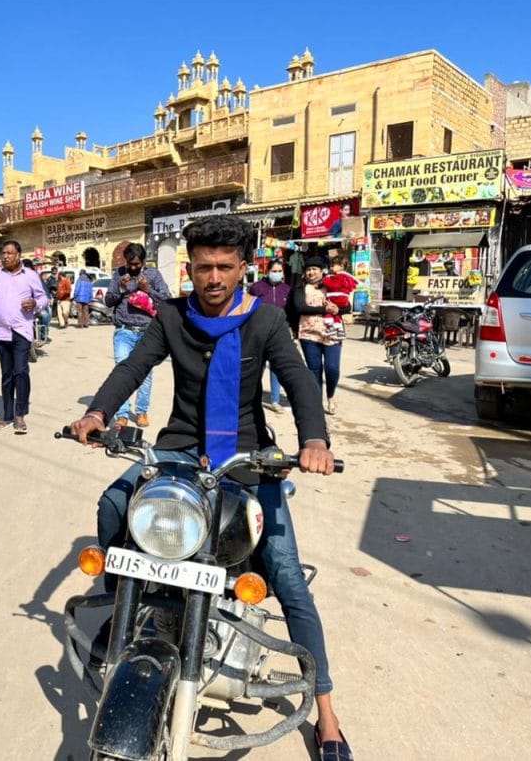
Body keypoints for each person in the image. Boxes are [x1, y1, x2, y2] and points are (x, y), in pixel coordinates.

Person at [69, 214, 350, 760]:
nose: (214, 277)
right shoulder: (171, 317)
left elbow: (297, 380)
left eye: (225, 266)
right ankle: (123, 598)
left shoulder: (265, 320)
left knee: (288, 577)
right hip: (176, 447)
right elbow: (135, 366)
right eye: (203, 267)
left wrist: (313, 440)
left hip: (247, 457)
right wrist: (98, 411)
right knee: (114, 503)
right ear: (189, 268)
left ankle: (328, 712)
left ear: (243, 267)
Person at [0, 240, 49, 434]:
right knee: (7, 375)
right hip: (1, 332)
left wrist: (35, 304)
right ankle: (7, 415)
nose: (5, 256)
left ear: (18, 255)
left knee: (20, 372)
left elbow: (44, 298)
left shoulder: (30, 276)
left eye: (9, 253)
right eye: (3, 253)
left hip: (22, 331)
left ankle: (20, 415)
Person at [103, 243, 171, 429]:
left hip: (147, 331)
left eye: (137, 264)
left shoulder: (153, 275)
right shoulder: (119, 274)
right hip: (124, 330)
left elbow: (167, 298)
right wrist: (121, 288)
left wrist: (148, 289)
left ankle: (141, 411)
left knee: (146, 373)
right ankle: (122, 413)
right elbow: (108, 301)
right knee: (122, 372)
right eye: (130, 264)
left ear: (143, 261)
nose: (133, 268)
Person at [292, 256, 349, 415]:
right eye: (308, 270)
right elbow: (299, 308)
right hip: (309, 334)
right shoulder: (300, 287)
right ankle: (317, 402)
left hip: (332, 333)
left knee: (332, 368)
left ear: (322, 271)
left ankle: (331, 395)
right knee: (314, 370)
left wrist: (338, 310)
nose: (311, 273)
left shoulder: (332, 284)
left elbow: (346, 306)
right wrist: (325, 310)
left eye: (314, 269)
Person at [249, 259, 292, 412]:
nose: (277, 274)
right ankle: (253, 397)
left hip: (279, 333)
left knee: (276, 367)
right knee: (257, 366)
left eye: (280, 271)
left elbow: (291, 312)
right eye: (274, 271)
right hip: (259, 332)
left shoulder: (287, 289)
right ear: (267, 271)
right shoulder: (256, 288)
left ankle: (275, 400)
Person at [320, 255, 358, 340]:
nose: (331, 267)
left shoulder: (339, 276)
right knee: (337, 314)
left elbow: (332, 285)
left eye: (333, 265)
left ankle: (330, 328)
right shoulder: (348, 277)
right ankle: (340, 331)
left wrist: (325, 280)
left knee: (329, 311)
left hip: (336, 298)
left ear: (341, 266)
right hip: (343, 300)